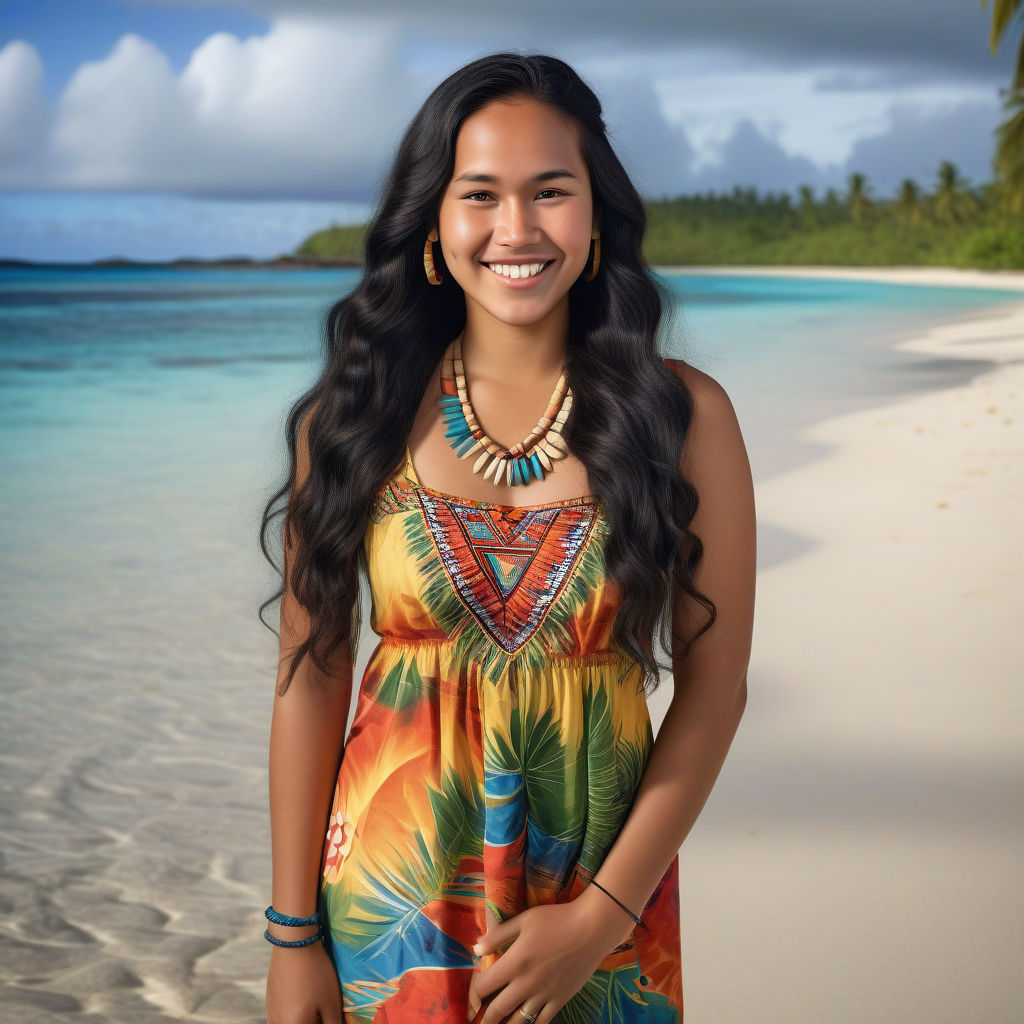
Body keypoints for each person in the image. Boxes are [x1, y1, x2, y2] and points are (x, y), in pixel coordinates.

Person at [261, 51, 755, 1024]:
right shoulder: (354, 416)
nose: (516, 229)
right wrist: (291, 936)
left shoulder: (684, 415)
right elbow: (310, 676)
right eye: (479, 193)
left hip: (603, 916)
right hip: (383, 913)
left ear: (598, 221)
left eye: (550, 192)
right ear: (435, 228)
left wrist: (599, 921)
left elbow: (714, 689)